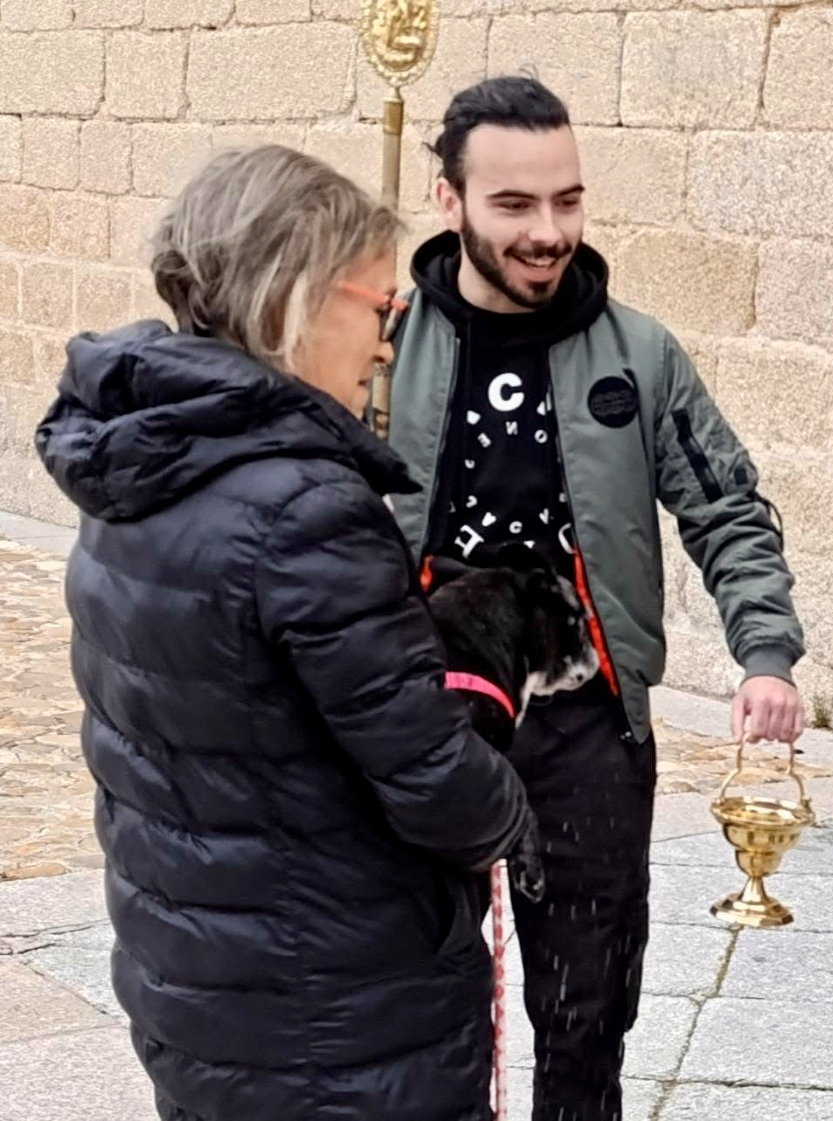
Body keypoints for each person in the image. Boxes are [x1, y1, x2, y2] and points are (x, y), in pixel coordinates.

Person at [34, 145, 542, 1121]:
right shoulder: (307, 508)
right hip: (336, 1011)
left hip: (197, 984)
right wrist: (507, 804)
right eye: (383, 309)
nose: (387, 346)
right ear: (298, 296)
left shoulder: (138, 467)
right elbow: (434, 781)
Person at [384, 75, 807, 1121]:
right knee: (408, 1001)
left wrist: (765, 651)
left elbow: (727, 507)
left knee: (587, 1012)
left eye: (566, 200)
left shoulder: (641, 354)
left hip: (587, 730)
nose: (548, 231)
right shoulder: (383, 347)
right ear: (449, 201)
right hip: (410, 723)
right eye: (514, 204)